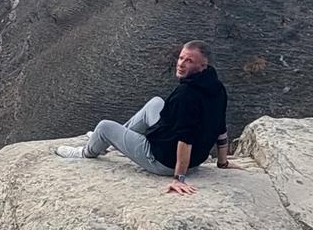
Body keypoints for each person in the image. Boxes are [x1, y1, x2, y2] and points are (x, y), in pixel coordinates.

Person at [55, 40, 230, 195]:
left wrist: (179, 179)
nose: (181, 64)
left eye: (189, 61)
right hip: (193, 161)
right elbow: (220, 128)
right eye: (181, 58)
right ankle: (110, 144)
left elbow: (185, 139)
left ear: (202, 66)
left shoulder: (186, 95)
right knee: (155, 103)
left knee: (104, 127)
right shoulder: (217, 88)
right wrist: (222, 163)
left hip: (162, 161)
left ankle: (86, 153)